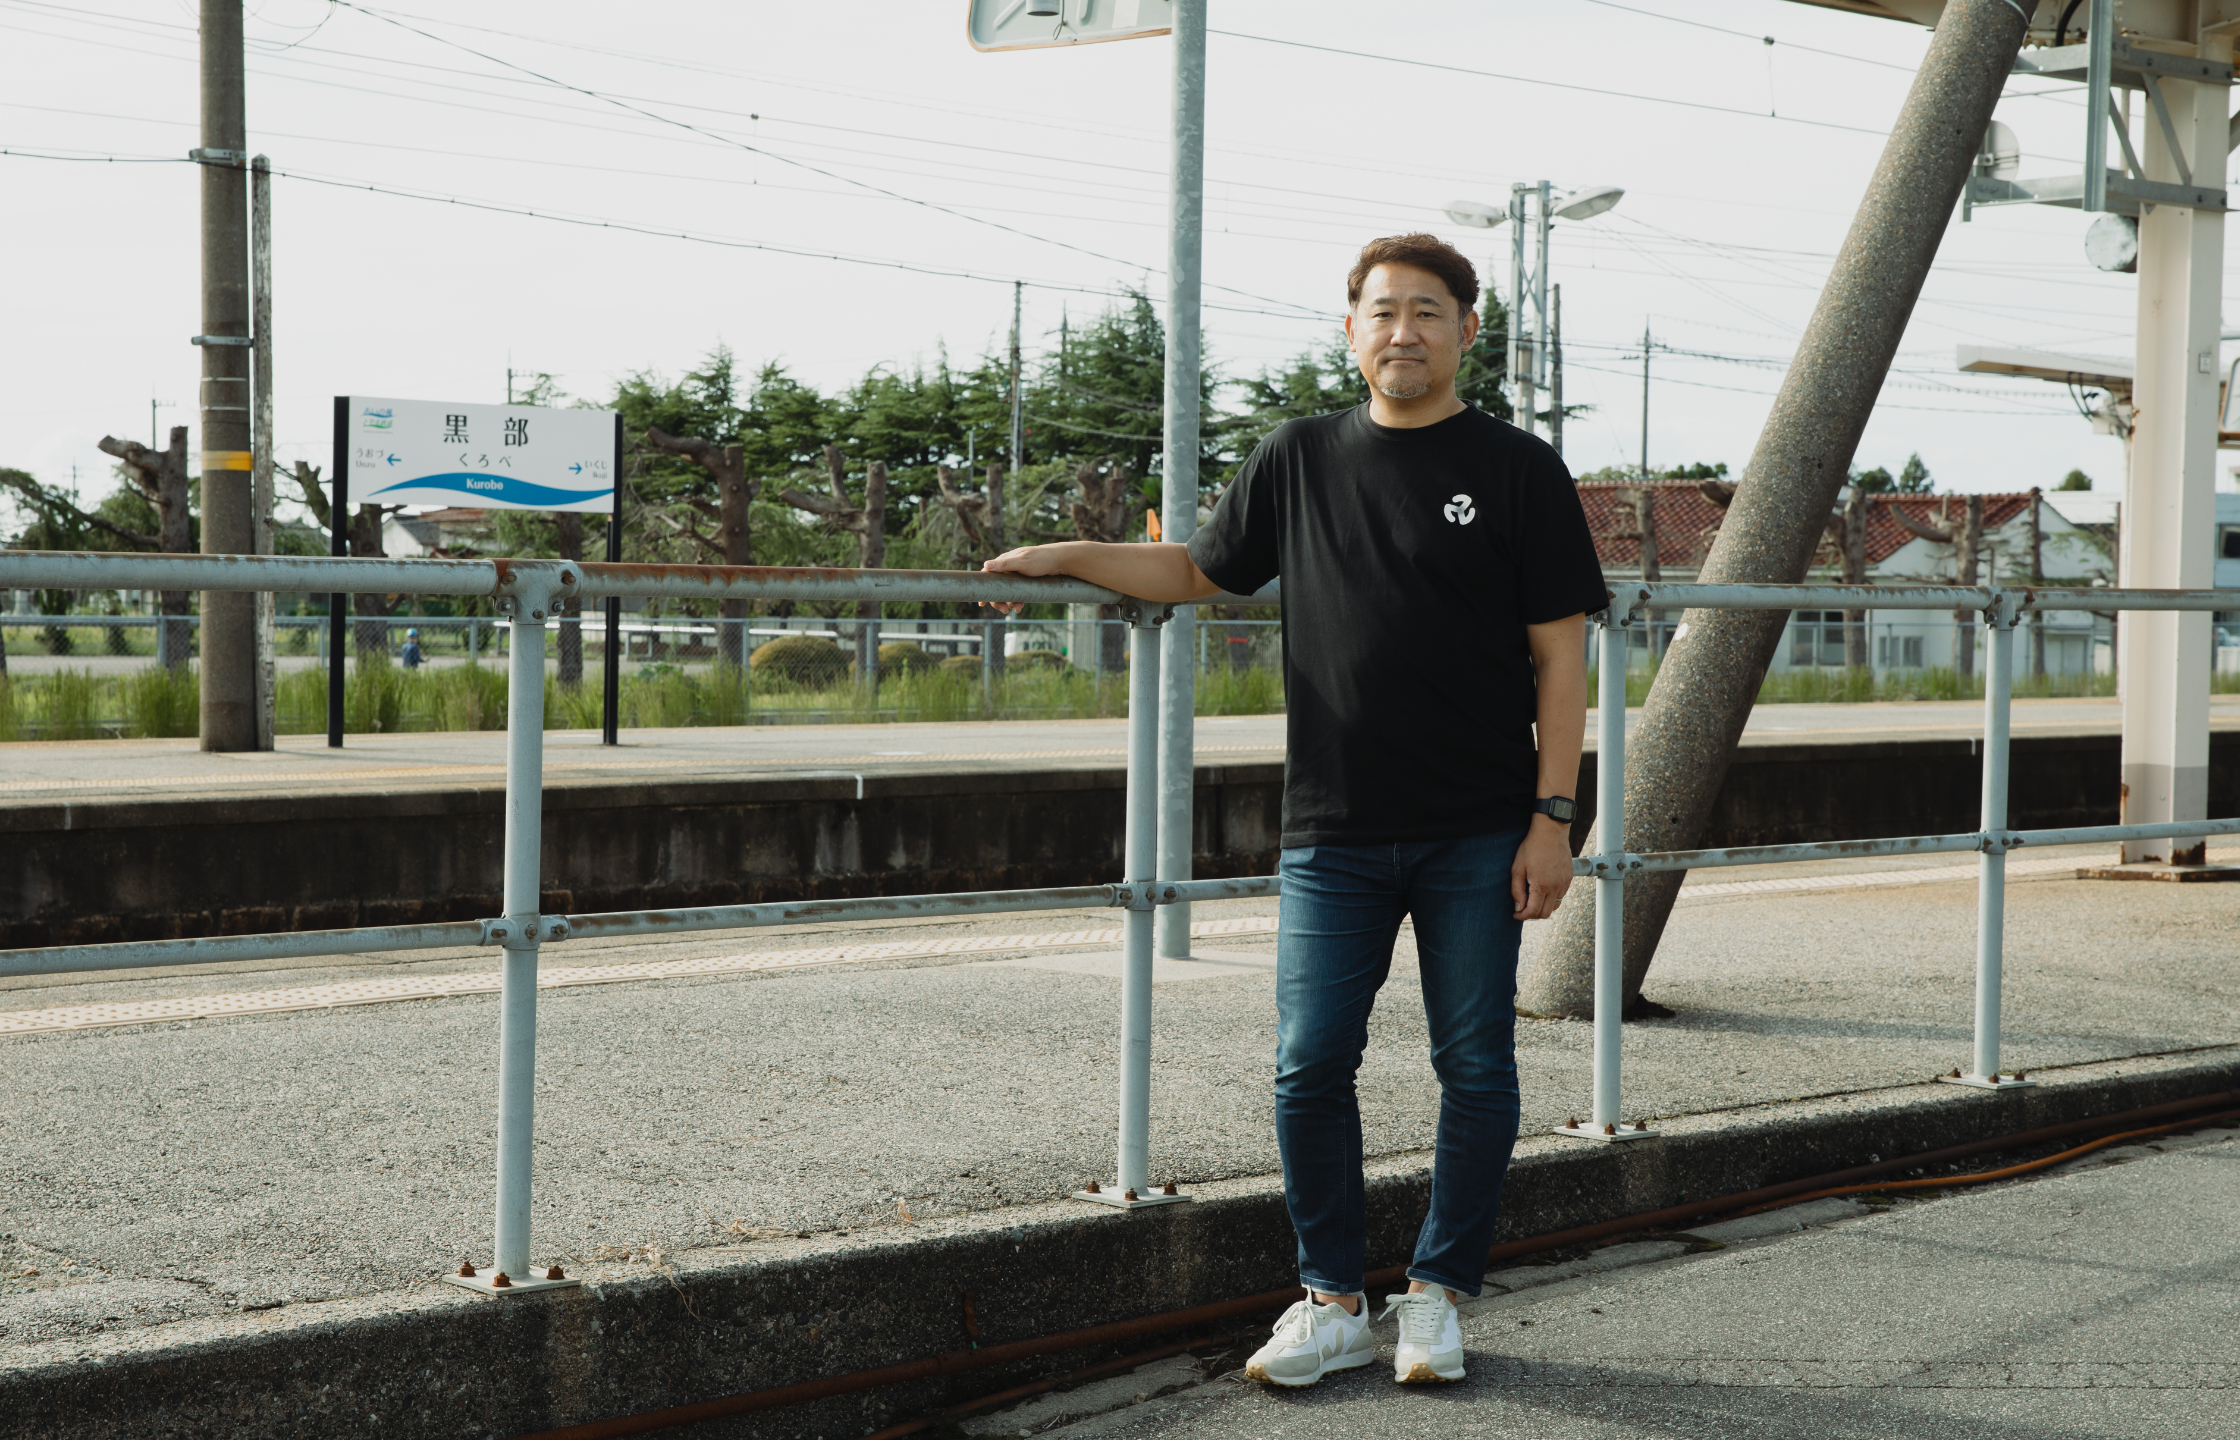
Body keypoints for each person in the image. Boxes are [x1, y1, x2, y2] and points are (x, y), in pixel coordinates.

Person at [982, 233, 1606, 1388]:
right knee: (1308, 1061)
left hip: (1481, 825)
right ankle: (1328, 1298)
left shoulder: (1517, 470)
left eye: (1425, 311)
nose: (1401, 331)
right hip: (1333, 825)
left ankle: (1435, 1297)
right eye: (1380, 311)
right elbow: (1197, 572)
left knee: (1472, 1064)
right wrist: (1070, 555)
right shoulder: (1299, 457)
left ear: (1468, 331)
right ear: (1352, 328)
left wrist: (1552, 817)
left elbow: (1559, 664)